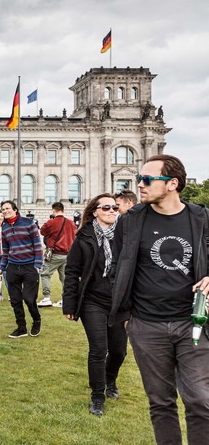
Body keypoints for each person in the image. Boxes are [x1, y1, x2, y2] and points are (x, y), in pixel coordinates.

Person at [109, 154, 209, 445]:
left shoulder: (201, 218)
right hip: (146, 326)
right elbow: (117, 267)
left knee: (201, 399)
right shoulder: (129, 222)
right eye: (140, 178)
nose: (140, 184)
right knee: (161, 402)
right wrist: (128, 316)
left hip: (194, 323)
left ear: (172, 184)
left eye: (147, 179)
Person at [62, 193, 127, 417]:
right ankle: (97, 396)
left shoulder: (125, 236)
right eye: (106, 207)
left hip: (119, 303)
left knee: (119, 351)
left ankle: (111, 379)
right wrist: (69, 304)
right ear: (95, 211)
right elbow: (71, 272)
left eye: (115, 208)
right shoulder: (84, 237)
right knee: (99, 349)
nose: (111, 211)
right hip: (93, 301)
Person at [0, 200, 43, 339]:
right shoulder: (5, 228)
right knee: (15, 300)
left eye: (7, 208)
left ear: (15, 209)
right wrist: (1, 268)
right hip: (13, 267)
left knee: (29, 298)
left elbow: (37, 245)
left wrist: (37, 265)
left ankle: (36, 320)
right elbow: (6, 250)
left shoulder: (29, 223)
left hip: (30, 267)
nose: (5, 211)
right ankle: (21, 328)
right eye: (3, 209)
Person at [38, 202, 77, 308]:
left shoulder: (52, 222)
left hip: (55, 253)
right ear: (63, 210)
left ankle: (46, 298)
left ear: (53, 210)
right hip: (68, 254)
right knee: (65, 277)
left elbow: (42, 231)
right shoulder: (71, 223)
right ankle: (66, 299)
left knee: (45, 274)